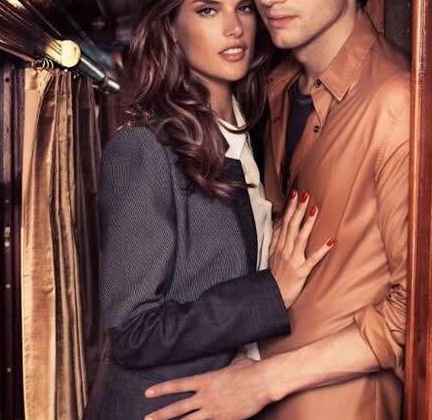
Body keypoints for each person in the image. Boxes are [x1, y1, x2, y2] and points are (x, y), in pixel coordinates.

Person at [144, 0, 410, 419]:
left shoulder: (396, 100)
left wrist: (264, 380)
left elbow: (416, 313)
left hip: (338, 406)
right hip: (252, 390)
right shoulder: (277, 87)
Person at [84, 0, 335, 418]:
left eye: (243, 7)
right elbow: (132, 330)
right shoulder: (142, 150)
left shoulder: (255, 131)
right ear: (171, 28)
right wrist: (270, 293)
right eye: (208, 10)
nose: (234, 27)